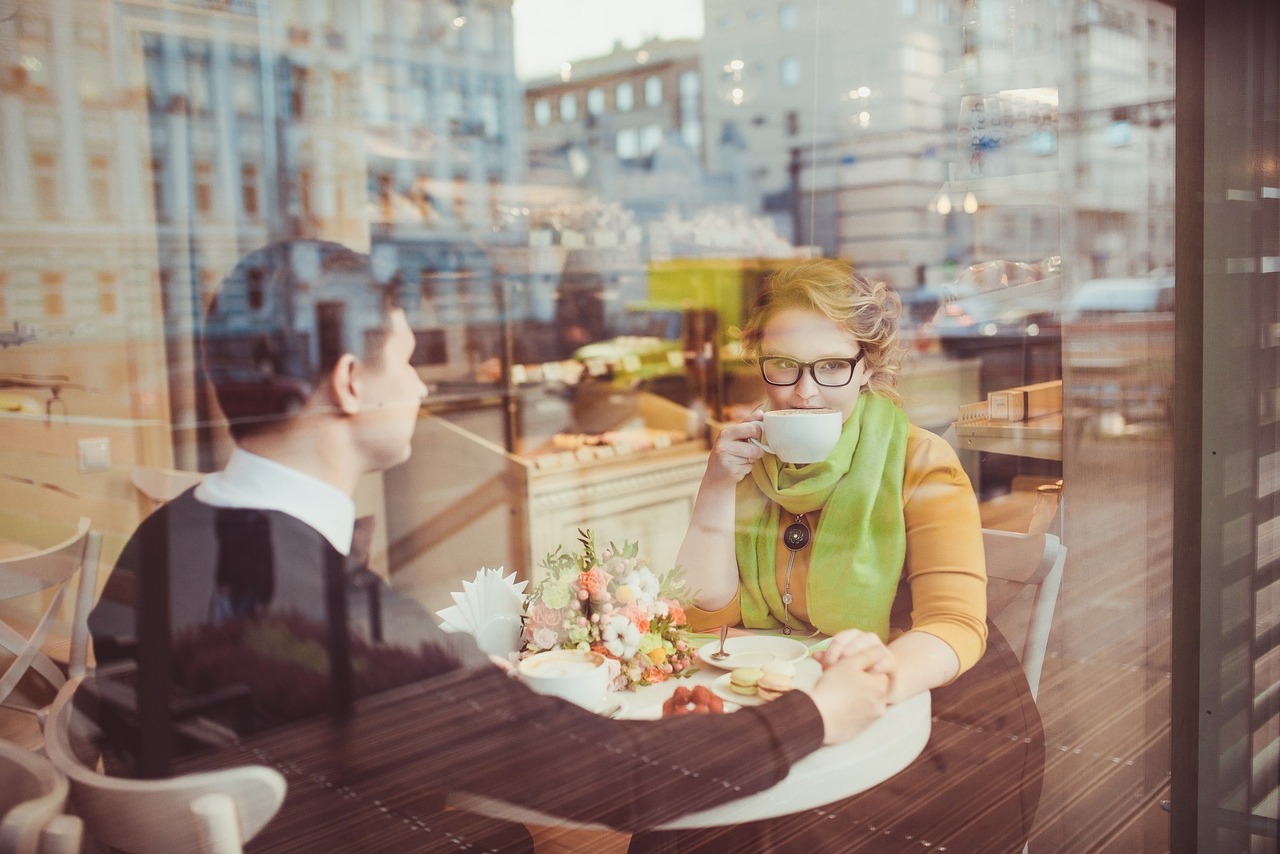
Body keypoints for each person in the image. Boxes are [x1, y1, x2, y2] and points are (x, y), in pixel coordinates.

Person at [84, 240, 894, 850]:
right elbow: (624, 779)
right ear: (350, 383)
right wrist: (814, 715)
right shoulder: (347, 629)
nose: (424, 386)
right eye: (408, 361)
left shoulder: (160, 543)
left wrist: (455, 694)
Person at [677, 257, 988, 704]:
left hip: (888, 702)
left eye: (831, 366)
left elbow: (955, 625)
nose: (805, 392)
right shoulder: (745, 461)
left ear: (866, 367)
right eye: (785, 365)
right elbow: (703, 618)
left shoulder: (918, 462)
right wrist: (716, 486)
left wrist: (868, 685)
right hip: (762, 695)